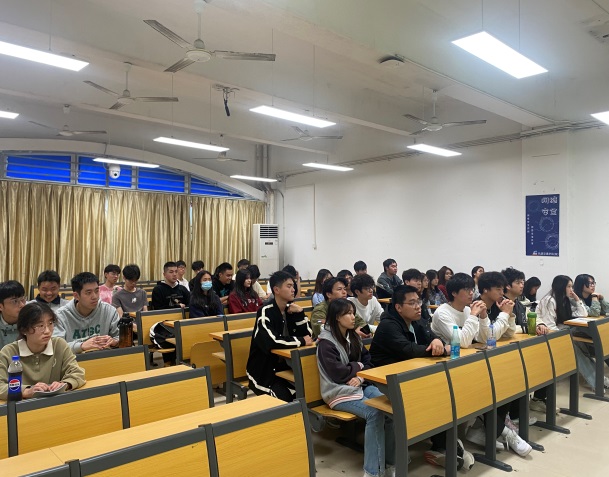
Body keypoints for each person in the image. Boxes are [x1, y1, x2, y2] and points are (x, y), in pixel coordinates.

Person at [317, 298, 396, 477]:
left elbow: (368, 360)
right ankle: (372, 472)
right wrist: (358, 366)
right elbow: (338, 374)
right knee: (375, 413)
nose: (353, 317)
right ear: (337, 317)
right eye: (348, 314)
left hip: (360, 384)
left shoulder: (352, 336)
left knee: (390, 408)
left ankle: (390, 464)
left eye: (353, 313)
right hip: (337, 391)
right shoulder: (326, 342)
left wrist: (360, 376)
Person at [246, 271, 313, 402]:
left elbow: (309, 336)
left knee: (309, 392)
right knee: (285, 401)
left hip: (286, 367)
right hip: (264, 372)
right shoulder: (265, 311)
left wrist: (300, 314)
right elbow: (272, 341)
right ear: (276, 290)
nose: (293, 289)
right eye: (289, 286)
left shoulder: (292, 310)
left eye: (293, 286)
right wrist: (300, 341)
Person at [0, 302, 85, 400]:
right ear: (23, 330)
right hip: (22, 407)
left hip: (54, 404)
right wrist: (26, 391)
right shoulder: (8, 352)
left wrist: (65, 384)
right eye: (40, 326)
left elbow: (78, 373)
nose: (47, 331)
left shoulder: (59, 345)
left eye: (50, 324)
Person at [536, 275, 605, 391]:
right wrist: (566, 338)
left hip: (562, 332)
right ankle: (597, 382)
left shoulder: (565, 299)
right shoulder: (549, 300)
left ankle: (600, 380)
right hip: (549, 336)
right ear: (561, 287)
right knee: (576, 350)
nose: (571, 290)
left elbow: (583, 314)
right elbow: (550, 327)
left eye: (572, 287)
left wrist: (577, 299)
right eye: (569, 286)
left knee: (582, 347)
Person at [54, 272, 120, 354]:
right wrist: (81, 346)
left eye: (96, 291)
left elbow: (121, 337)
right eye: (88, 293)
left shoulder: (109, 311)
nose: (95, 297)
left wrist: (114, 341)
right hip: (74, 360)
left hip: (103, 357)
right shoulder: (60, 316)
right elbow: (56, 347)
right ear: (76, 296)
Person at [477, 272, 517, 340]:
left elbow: (508, 334)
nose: (502, 293)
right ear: (485, 289)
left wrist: (509, 314)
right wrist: (505, 313)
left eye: (502, 289)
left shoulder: (498, 305)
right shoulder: (476, 307)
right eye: (498, 289)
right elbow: (490, 337)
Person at [0, 280, 26, 349]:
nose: (22, 305)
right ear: (0, 306)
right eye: (15, 301)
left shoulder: (31, 322)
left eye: (22, 299)